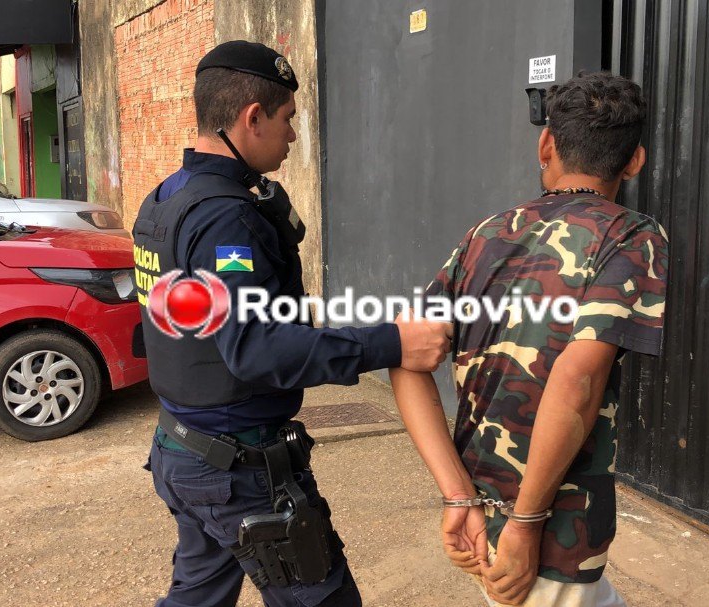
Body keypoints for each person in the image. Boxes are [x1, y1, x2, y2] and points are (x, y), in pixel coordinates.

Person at [132, 40, 452, 607]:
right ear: (252, 118)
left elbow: (217, 321)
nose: (294, 135)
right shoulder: (226, 218)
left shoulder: (165, 199)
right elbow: (256, 350)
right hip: (237, 470)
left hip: (183, 449)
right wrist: (391, 343)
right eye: (288, 119)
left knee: (197, 598)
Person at [389, 72, 669, 607]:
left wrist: (457, 494)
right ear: (635, 161)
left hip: (481, 514)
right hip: (549, 533)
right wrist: (526, 523)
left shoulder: (486, 233)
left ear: (546, 145)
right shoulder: (632, 236)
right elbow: (579, 379)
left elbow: (403, 354)